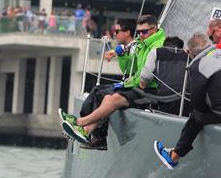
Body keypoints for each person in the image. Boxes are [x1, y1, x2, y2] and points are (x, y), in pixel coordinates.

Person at [153, 32, 221, 169]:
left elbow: (197, 103)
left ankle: (174, 156)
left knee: (196, 117)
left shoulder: (198, 65)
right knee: (214, 110)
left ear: (191, 52)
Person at [61, 15, 165, 145]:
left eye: (144, 32)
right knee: (107, 97)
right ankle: (86, 131)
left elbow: (145, 76)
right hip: (139, 86)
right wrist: (119, 54)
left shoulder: (157, 46)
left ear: (154, 29)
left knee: (111, 97)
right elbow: (129, 69)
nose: (140, 35)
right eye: (138, 32)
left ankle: (80, 123)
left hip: (151, 90)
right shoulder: (142, 43)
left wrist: (126, 83)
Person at [139, 36, 189, 114]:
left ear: (164, 45)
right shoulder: (189, 55)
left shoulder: (155, 52)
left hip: (165, 99)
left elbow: (146, 76)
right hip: (186, 100)